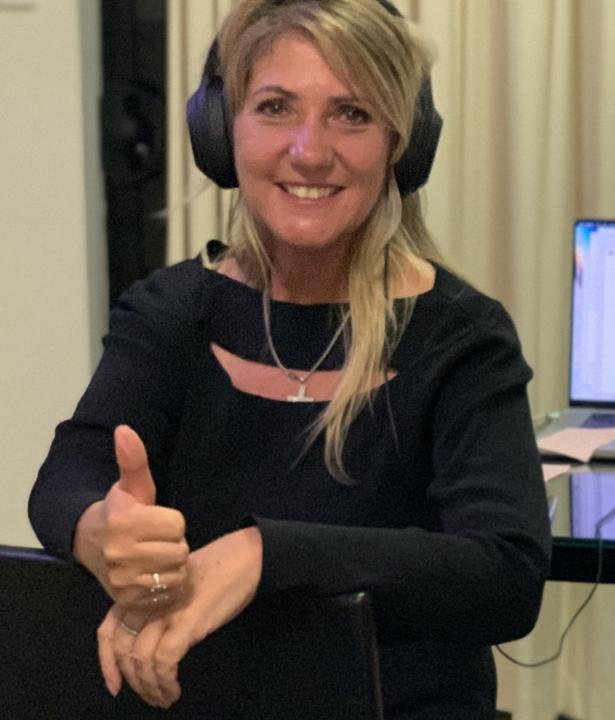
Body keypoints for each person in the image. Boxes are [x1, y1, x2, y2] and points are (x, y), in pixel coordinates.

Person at [26, 1, 551, 718]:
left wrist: (264, 556)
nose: (309, 150)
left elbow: (505, 574)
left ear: (404, 141)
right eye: (275, 107)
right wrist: (103, 534)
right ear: (221, 132)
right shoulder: (171, 312)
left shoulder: (461, 336)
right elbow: (67, 477)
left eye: (352, 114)